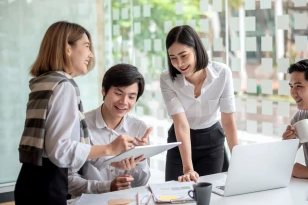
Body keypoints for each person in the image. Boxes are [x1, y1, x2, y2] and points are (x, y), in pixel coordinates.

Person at [15, 21, 133, 205]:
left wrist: (111, 161)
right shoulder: (64, 86)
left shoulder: (43, 82)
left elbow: (48, 147)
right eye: (86, 46)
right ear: (67, 48)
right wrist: (109, 148)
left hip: (29, 181)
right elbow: (59, 150)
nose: (91, 54)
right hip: (48, 186)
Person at [160, 25, 238, 182]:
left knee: (209, 194)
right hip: (179, 142)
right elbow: (181, 124)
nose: (179, 63)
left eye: (184, 55)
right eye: (173, 58)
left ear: (196, 49)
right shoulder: (167, 79)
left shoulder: (222, 73)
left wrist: (240, 161)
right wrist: (188, 168)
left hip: (212, 141)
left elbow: (228, 121)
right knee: (174, 196)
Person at [68, 63, 152, 196]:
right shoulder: (81, 124)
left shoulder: (139, 128)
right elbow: (69, 180)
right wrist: (106, 187)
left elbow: (141, 184)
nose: (124, 102)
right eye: (118, 93)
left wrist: (141, 160)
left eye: (131, 97)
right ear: (103, 90)